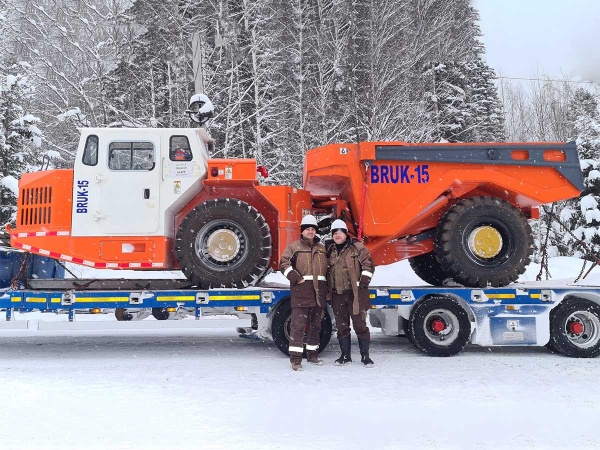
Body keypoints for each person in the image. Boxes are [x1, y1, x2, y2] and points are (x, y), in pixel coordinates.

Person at [279, 214, 328, 371]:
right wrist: (296, 278)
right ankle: (295, 360)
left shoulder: (322, 248)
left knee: (315, 326)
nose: (310, 231)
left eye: (313, 229)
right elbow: (283, 263)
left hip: (318, 294)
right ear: (302, 231)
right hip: (301, 292)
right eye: (307, 229)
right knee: (298, 327)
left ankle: (312, 354)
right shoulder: (294, 247)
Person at [327, 219, 375, 367]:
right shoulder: (329, 250)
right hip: (337, 295)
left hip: (355, 294)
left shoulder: (357, 248)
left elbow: (369, 266)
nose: (337, 235)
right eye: (334, 233)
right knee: (342, 327)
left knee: (360, 325)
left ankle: (365, 356)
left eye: (339, 232)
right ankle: (345, 356)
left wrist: (363, 284)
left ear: (345, 233)